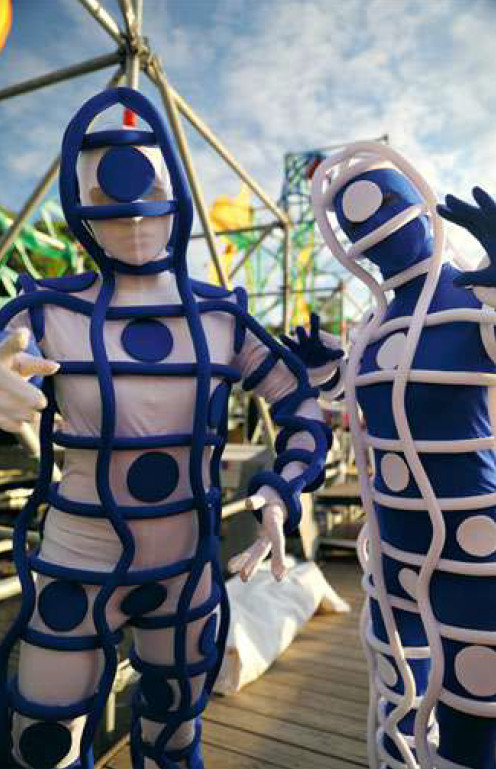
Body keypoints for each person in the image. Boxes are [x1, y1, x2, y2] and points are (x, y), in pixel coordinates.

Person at [0, 87, 330, 769]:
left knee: (175, 740)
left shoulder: (221, 319)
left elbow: (301, 406)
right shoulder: (49, 311)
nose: (132, 216)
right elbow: (7, 352)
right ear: (79, 202)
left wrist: (280, 491)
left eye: (148, 189)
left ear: (175, 191)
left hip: (187, 572)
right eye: (107, 195)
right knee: (42, 743)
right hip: (76, 561)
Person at [283, 141, 496, 769]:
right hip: (394, 546)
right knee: (398, 690)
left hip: (472, 542)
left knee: (474, 704)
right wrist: (328, 374)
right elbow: (366, 406)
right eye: (358, 223)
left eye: (385, 209)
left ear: (419, 209)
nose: (375, 231)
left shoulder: (474, 300)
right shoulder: (376, 328)